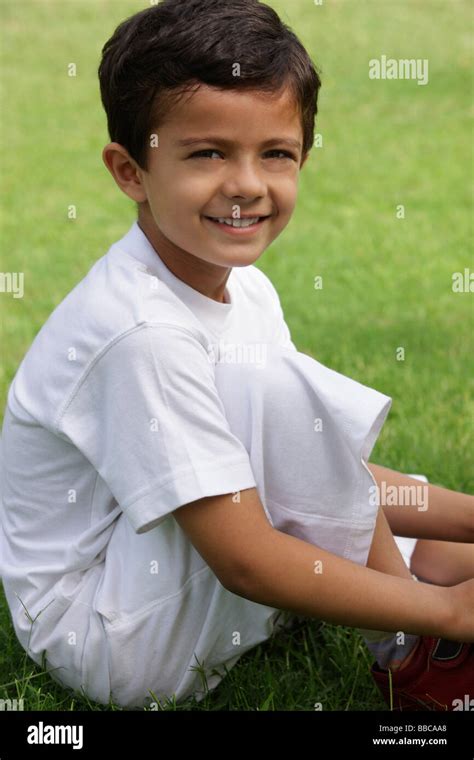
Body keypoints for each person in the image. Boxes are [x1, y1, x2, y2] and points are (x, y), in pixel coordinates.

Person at [0, 0, 473, 712]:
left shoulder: (241, 288)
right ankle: (411, 650)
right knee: (271, 389)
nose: (248, 185)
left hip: (162, 574)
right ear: (130, 172)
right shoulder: (139, 332)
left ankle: (426, 583)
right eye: (207, 153)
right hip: (108, 629)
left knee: (453, 553)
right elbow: (247, 559)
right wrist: (447, 613)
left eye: (275, 153)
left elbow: (306, 470)